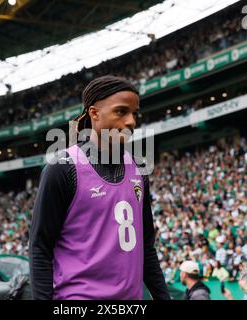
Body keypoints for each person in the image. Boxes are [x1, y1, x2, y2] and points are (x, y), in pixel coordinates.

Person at [29, 75, 170, 300]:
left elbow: (146, 247)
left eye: (135, 113)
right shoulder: (62, 167)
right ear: (94, 113)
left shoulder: (139, 169)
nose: (131, 121)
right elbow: (40, 248)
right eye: (121, 112)